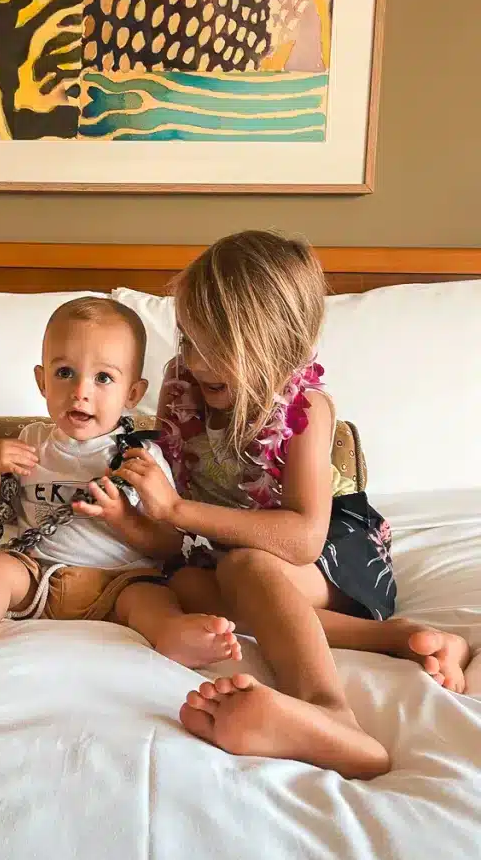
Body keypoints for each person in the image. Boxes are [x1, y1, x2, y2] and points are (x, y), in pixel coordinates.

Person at [114, 232, 470, 780]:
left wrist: (179, 514)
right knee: (185, 587)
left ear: (276, 346)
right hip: (225, 549)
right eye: (188, 339)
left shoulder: (307, 408)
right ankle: (401, 640)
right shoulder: (179, 384)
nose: (198, 361)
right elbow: (174, 475)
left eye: (219, 347)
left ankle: (333, 713)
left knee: (247, 566)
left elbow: (303, 535)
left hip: (331, 557)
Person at [0, 297, 241, 669]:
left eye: (104, 378)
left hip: (118, 580)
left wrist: (122, 517)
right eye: (65, 372)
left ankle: (172, 633)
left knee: (154, 600)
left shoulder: (139, 457)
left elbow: (168, 544)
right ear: (41, 381)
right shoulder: (29, 441)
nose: (81, 391)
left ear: (132, 393)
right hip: (36, 573)